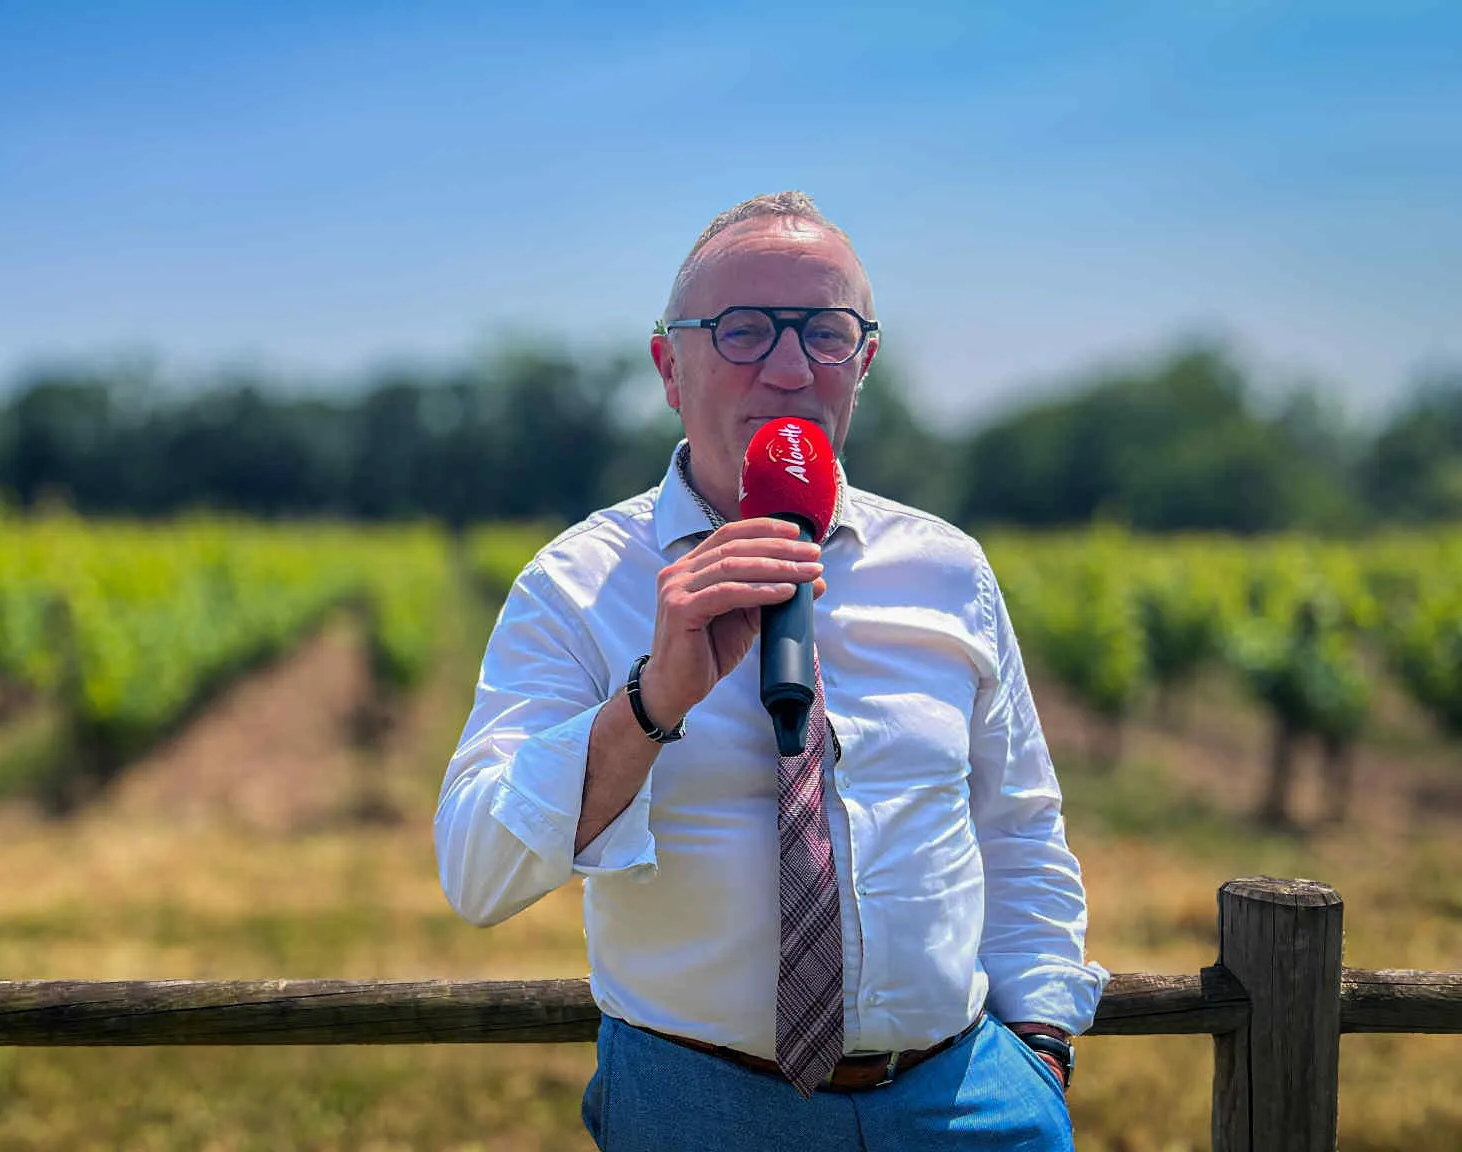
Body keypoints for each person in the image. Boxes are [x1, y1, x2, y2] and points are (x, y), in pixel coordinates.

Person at [433, 192, 1108, 1150]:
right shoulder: (575, 584)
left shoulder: (949, 569)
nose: (790, 368)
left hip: (967, 1100)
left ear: (862, 364)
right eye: (743, 330)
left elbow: (1017, 824)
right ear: (669, 367)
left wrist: (1042, 1045)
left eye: (826, 334)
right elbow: (477, 873)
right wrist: (651, 702)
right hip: (703, 1105)